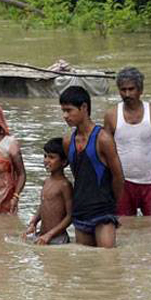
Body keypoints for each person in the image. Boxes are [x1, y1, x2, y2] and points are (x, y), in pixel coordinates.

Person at [103, 67, 151, 216]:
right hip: (122, 184)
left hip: (150, 182)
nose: (127, 94)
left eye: (131, 89)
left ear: (140, 90)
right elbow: (105, 153)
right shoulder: (111, 115)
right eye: (123, 90)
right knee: (125, 229)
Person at [60, 86, 124, 248]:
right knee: (86, 265)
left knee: (108, 262)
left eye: (69, 110)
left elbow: (118, 177)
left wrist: (112, 206)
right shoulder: (68, 141)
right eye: (63, 111)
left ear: (84, 108)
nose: (65, 116)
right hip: (81, 210)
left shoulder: (103, 139)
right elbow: (79, 175)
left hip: (103, 212)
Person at [24, 138, 73, 245]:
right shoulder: (46, 181)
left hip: (58, 238)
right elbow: (43, 206)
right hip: (42, 235)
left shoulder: (65, 185)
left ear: (64, 162)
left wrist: (50, 235)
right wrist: (33, 222)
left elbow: (70, 216)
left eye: (51, 157)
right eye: (45, 156)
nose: (46, 160)